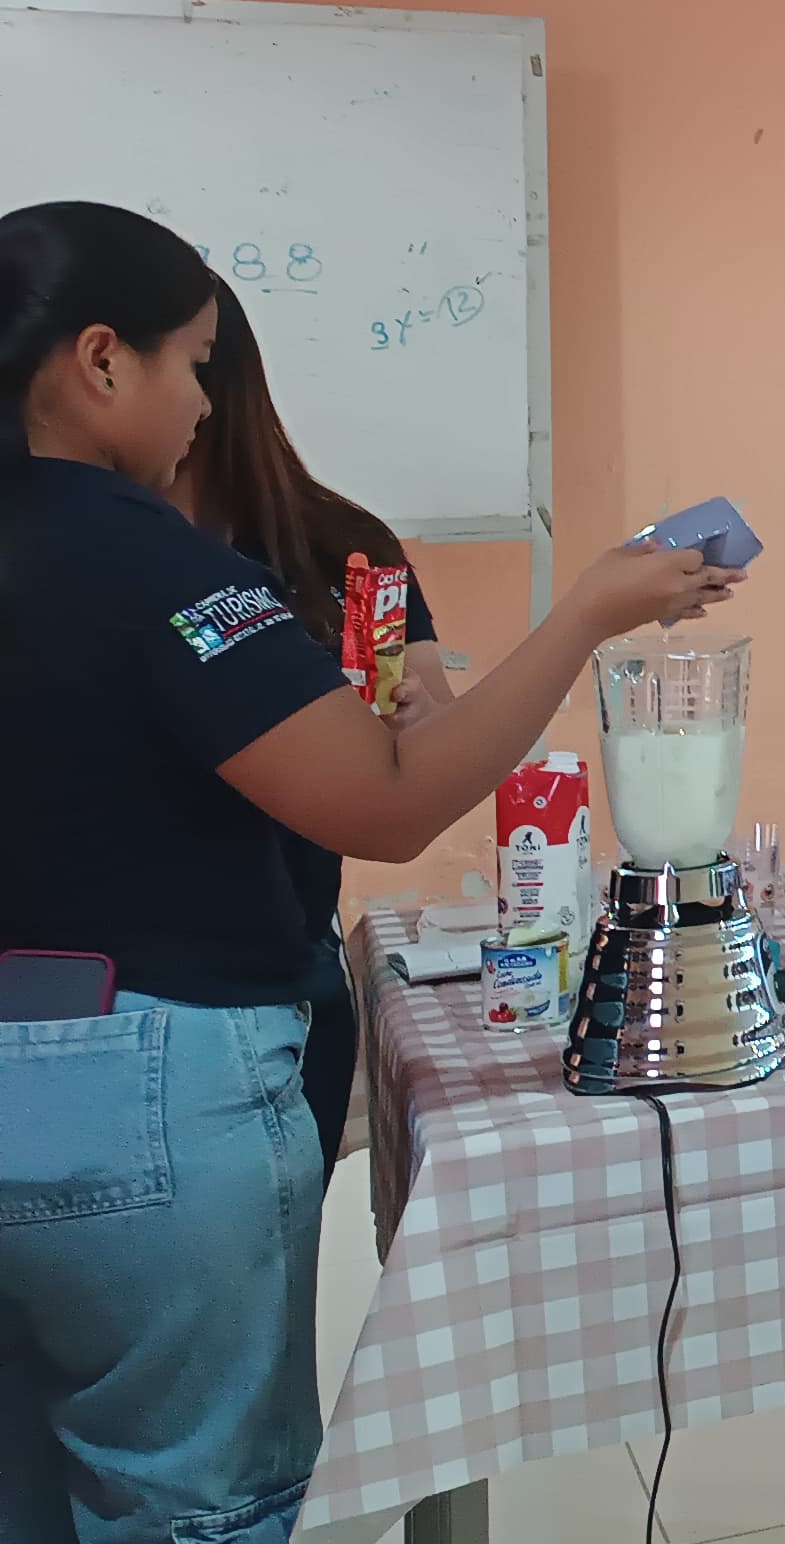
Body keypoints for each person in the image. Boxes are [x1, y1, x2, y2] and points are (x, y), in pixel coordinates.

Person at [0, 200, 741, 1544]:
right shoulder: (155, 569)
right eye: (191, 362)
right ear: (102, 361)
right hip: (139, 1077)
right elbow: (384, 799)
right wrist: (586, 612)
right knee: (195, 1501)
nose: (200, 404)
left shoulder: (256, 551)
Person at [167, 280, 463, 1176]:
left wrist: (419, 719)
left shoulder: (340, 545)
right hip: (144, 996)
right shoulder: (88, 553)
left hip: (294, 969)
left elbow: (429, 729)